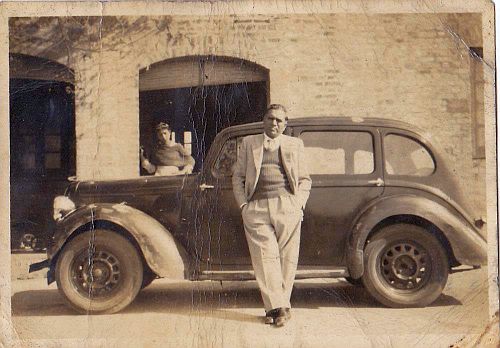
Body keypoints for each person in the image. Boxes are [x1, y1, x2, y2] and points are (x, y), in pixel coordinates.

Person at [232, 104, 311, 327]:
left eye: (279, 120)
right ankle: (279, 308)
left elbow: (305, 179)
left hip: (287, 206)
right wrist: (243, 206)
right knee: (265, 259)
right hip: (256, 207)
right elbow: (237, 177)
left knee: (287, 258)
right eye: (270, 119)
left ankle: (277, 307)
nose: (274, 123)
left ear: (285, 124)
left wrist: (298, 204)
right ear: (263, 120)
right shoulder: (249, 143)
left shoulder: (295, 145)